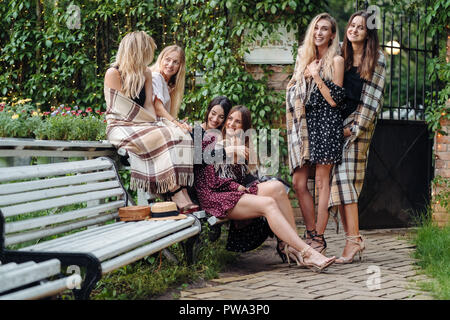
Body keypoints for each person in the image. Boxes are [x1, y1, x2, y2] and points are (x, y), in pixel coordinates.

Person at [195, 105, 336, 272]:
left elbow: (242, 178)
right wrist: (231, 158)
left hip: (229, 192)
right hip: (215, 196)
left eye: (238, 122)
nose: (232, 124)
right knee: (268, 204)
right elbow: (210, 180)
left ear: (244, 127)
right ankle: (306, 252)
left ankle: (290, 245)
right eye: (230, 119)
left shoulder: (241, 145)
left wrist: (242, 180)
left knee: (277, 187)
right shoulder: (212, 140)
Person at [104, 33, 197, 213]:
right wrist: (151, 121)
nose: (151, 56)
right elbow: (121, 111)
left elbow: (149, 109)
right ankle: (174, 190)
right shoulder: (113, 73)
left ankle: (182, 188)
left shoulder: (146, 72)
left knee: (178, 134)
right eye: (148, 51)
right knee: (162, 134)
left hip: (143, 123)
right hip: (121, 126)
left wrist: (156, 122)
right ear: (137, 51)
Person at [328, 11, 386, 264]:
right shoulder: (342, 57)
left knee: (343, 179)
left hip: (358, 127)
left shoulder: (377, 59)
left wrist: (352, 129)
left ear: (368, 34)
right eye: (352, 25)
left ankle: (354, 241)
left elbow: (372, 100)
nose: (354, 30)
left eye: (361, 27)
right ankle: (353, 240)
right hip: (339, 124)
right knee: (341, 182)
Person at [286, 13, 345, 255]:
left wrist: (317, 76)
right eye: (316, 29)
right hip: (305, 126)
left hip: (327, 125)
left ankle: (319, 238)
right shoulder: (304, 60)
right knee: (299, 182)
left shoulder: (337, 61)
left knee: (322, 184)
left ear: (332, 35)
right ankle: (310, 231)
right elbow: (291, 89)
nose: (319, 33)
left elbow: (335, 100)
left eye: (325, 29)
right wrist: (305, 73)